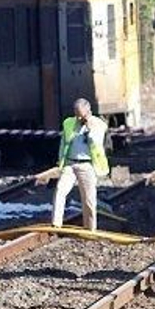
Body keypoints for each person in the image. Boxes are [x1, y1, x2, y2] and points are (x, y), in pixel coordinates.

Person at [51, 98, 107, 231]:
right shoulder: (69, 123)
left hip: (87, 165)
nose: (78, 117)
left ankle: (90, 228)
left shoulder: (98, 124)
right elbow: (63, 143)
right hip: (70, 164)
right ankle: (56, 223)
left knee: (88, 199)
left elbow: (96, 141)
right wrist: (61, 162)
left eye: (81, 114)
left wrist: (89, 127)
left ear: (88, 111)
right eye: (76, 114)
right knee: (60, 191)